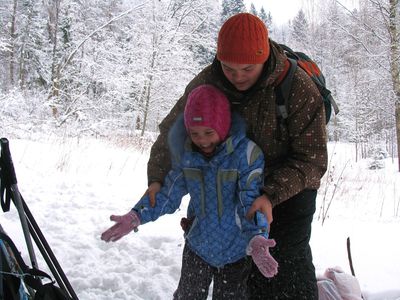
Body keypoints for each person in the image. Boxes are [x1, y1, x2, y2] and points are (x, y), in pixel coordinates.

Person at [144, 13, 328, 299]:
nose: (238, 76)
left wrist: (270, 194)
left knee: (285, 264)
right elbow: (174, 132)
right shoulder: (209, 81)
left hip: (290, 187)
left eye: (247, 68)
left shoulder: (298, 88)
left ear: (265, 57)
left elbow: (312, 159)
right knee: (240, 269)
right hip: (231, 183)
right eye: (229, 68)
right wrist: (157, 178)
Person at [101, 84, 279, 299]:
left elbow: (250, 201)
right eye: (194, 133)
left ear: (222, 127)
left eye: (208, 132)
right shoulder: (187, 156)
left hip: (237, 249)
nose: (202, 140)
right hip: (198, 245)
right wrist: (137, 215)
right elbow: (168, 193)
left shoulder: (246, 155)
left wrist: (258, 237)